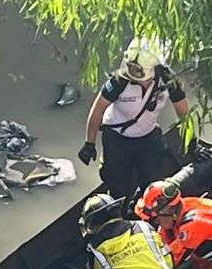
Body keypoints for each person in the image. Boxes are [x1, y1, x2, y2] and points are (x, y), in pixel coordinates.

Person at [76, 37, 192, 199]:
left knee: (153, 182)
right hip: (117, 139)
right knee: (117, 185)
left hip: (148, 136)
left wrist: (192, 141)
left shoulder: (168, 81)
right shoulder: (119, 81)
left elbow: (183, 111)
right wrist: (89, 142)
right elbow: (98, 109)